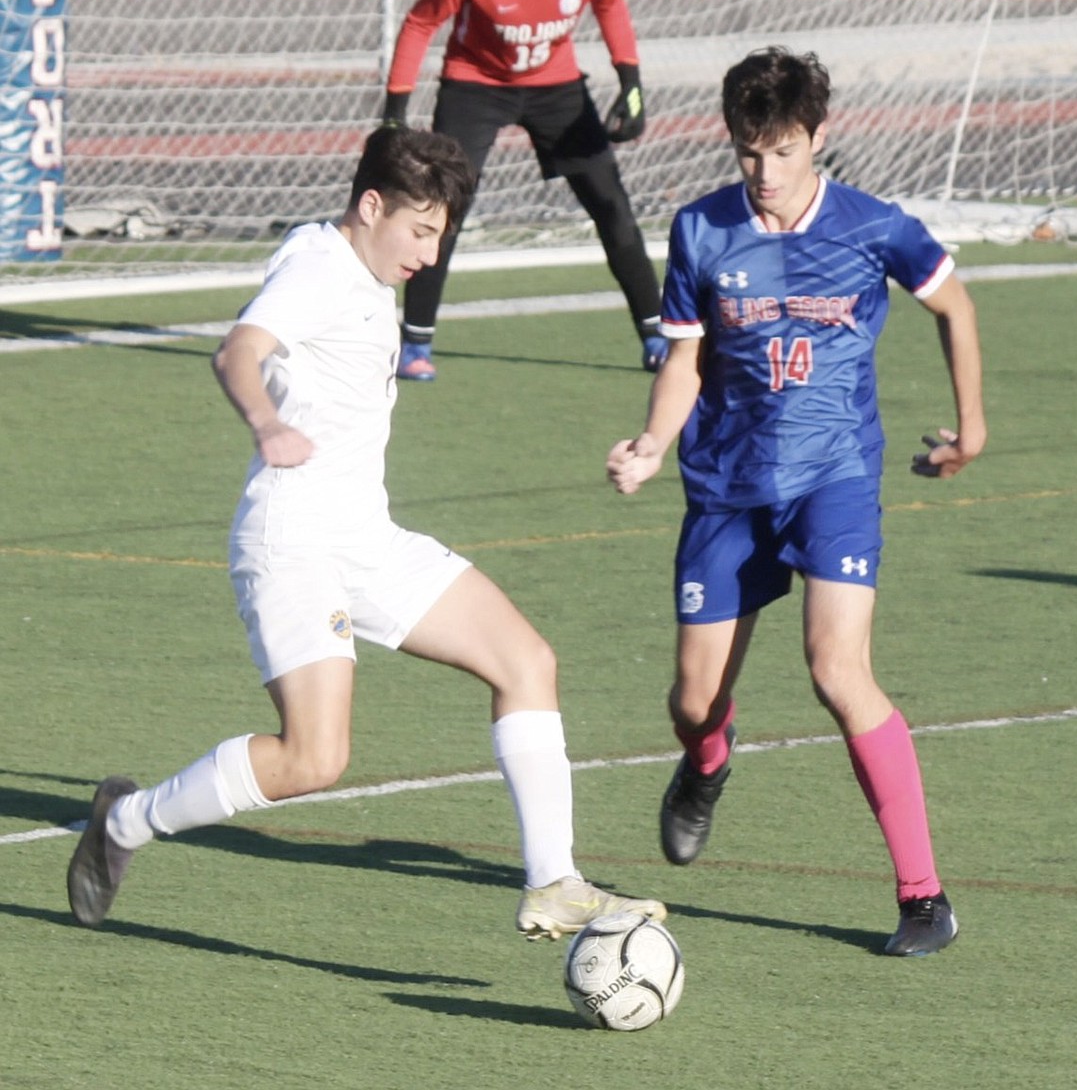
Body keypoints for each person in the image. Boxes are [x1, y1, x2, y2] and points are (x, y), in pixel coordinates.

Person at [67, 125, 666, 943]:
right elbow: (237, 351)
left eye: (439, 236)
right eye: (419, 231)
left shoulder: (353, 264)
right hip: (294, 541)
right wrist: (267, 423)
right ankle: (126, 822)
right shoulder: (318, 271)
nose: (427, 254)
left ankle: (554, 882)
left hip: (364, 537)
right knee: (315, 759)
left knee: (527, 662)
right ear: (371, 205)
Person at [606, 47, 986, 957]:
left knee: (836, 670)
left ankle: (924, 898)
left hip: (836, 477)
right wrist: (655, 441)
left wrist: (971, 431)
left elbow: (957, 309)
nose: (765, 174)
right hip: (728, 488)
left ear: (818, 137)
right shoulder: (701, 232)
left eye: (782, 151)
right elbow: (686, 357)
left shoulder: (875, 227)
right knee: (695, 700)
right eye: (748, 153)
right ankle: (705, 761)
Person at [381, 0, 667, 381]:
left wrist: (631, 82)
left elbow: (610, 6)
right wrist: (395, 113)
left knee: (611, 203)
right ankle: (415, 342)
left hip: (556, 86)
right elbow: (422, 21)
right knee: (440, 207)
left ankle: (656, 334)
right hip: (475, 85)